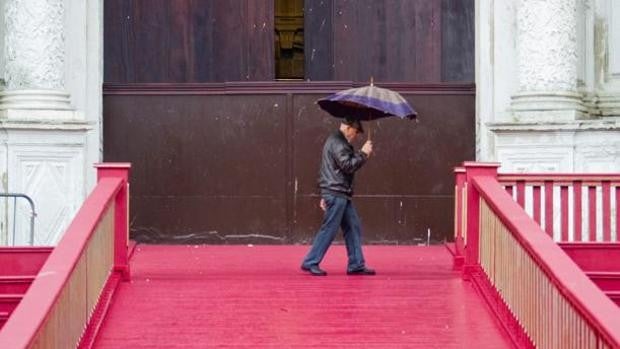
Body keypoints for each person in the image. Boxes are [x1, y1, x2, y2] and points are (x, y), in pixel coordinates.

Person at [300, 118, 375, 276]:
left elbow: (328, 168)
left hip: (338, 193)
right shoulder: (339, 143)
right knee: (330, 229)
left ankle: (356, 264)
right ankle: (310, 261)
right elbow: (347, 166)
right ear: (348, 128)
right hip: (337, 193)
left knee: (352, 226)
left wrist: (324, 193)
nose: (355, 136)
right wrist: (363, 154)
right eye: (355, 132)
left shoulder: (335, 141)